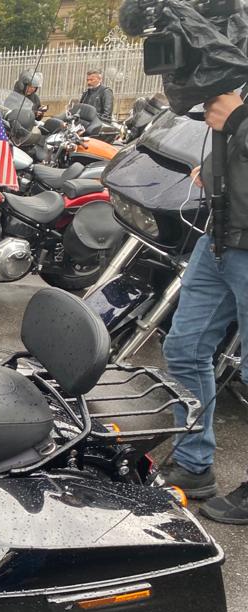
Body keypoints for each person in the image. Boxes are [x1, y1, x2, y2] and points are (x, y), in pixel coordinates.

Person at [158, 91, 248, 524]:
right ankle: (194, 465)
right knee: (184, 349)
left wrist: (239, 121)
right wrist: (215, 169)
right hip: (220, 238)